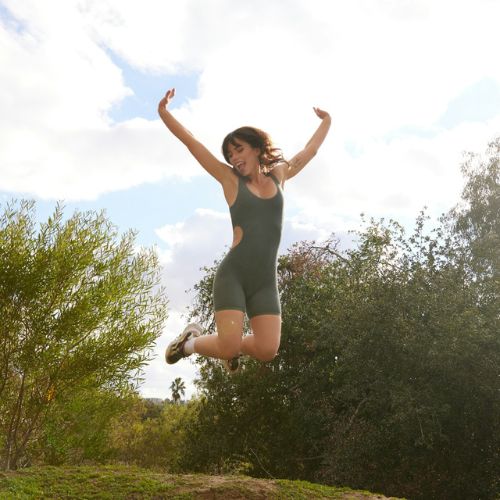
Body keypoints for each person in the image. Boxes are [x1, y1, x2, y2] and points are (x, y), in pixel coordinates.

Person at [159, 88, 331, 373]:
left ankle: (232, 345)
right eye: (229, 153)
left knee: (267, 350)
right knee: (227, 346)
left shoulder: (279, 175)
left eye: (239, 149)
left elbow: (309, 152)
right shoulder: (229, 180)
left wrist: (326, 121)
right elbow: (192, 143)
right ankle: (189, 343)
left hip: (264, 280)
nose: (234, 157)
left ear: (257, 148)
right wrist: (165, 113)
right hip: (234, 275)